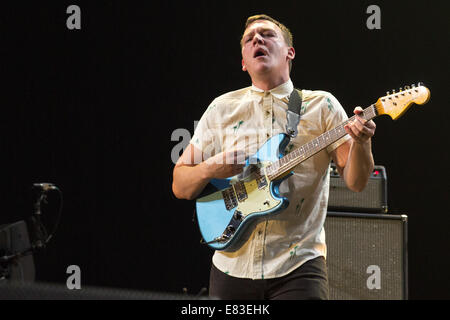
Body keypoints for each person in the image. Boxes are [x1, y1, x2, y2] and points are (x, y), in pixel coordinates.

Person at [172, 14, 376, 300]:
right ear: (243, 61)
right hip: (231, 267)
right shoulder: (221, 108)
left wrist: (362, 141)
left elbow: (356, 183)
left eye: (267, 34)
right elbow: (180, 186)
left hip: (299, 266)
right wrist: (209, 168)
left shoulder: (322, 106)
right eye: (249, 38)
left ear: (289, 52)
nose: (257, 39)